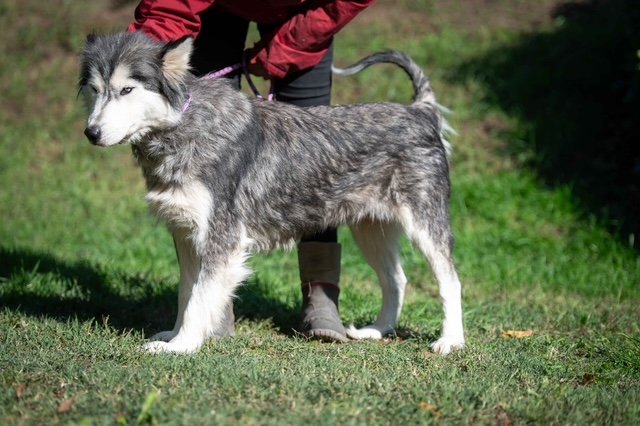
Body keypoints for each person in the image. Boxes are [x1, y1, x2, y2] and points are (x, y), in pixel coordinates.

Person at [128, 0, 374, 342]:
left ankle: (321, 294)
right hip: (216, 9)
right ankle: (213, 309)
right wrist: (141, 52)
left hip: (309, 12)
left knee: (319, 157)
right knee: (202, 139)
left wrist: (290, 45)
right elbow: (172, 5)